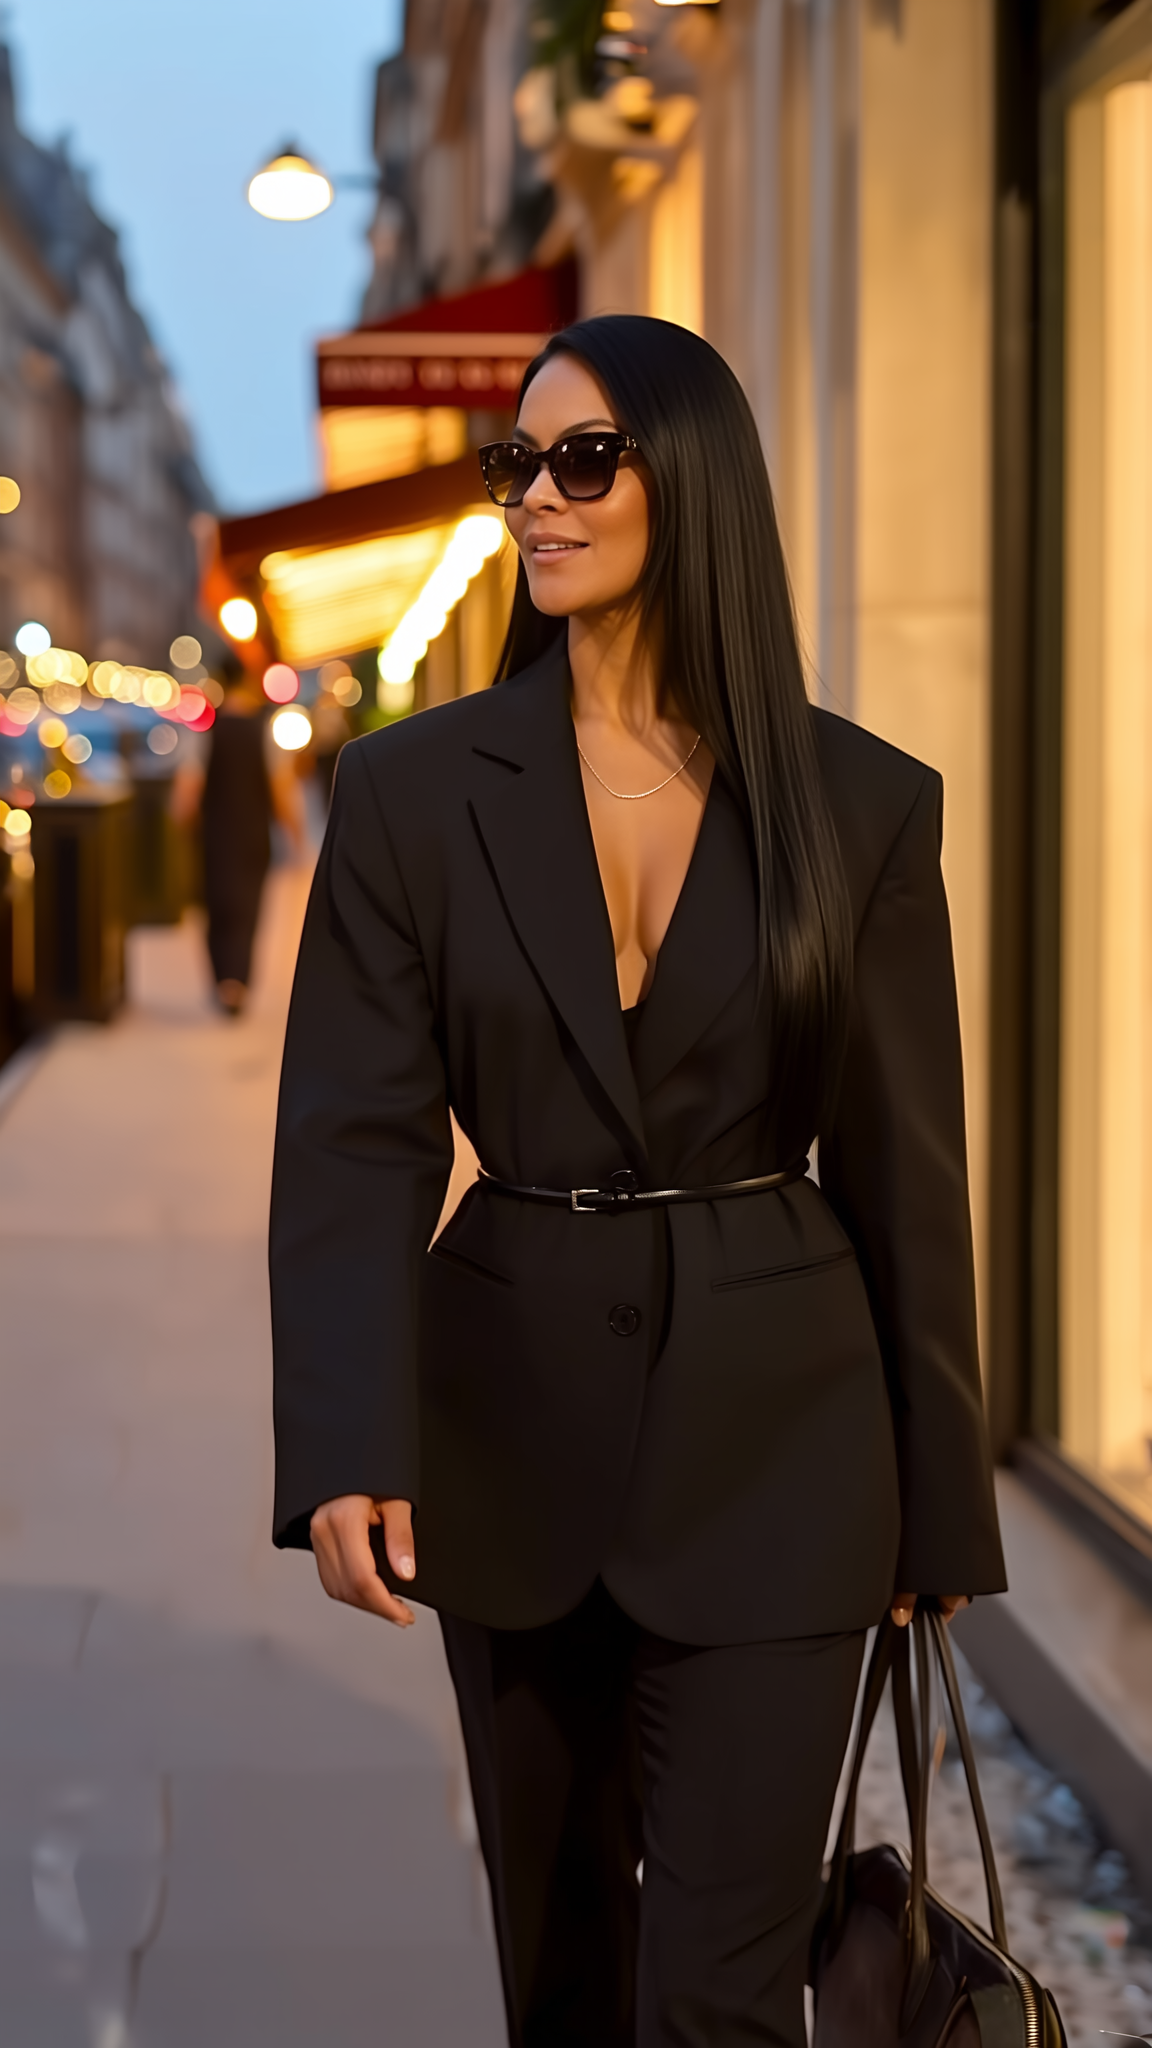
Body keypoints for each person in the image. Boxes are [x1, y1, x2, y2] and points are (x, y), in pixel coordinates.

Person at [270, 317, 1005, 2048]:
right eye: (513, 465)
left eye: (579, 458)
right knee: (563, 1984)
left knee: (723, 1993)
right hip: (504, 1447)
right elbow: (356, 1139)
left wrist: (942, 1500)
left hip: (787, 1456)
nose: (536, 497)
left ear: (695, 480)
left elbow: (908, 1164)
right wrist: (344, 1444)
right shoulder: (409, 797)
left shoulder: (859, 804)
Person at [172, 655, 302, 1015]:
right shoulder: (264, 731)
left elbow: (187, 792)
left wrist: (182, 826)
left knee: (216, 907)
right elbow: (281, 789)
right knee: (248, 908)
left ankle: (223, 980)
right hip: (253, 837)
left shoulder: (206, 733)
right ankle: (238, 982)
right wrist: (296, 834)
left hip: (214, 837)